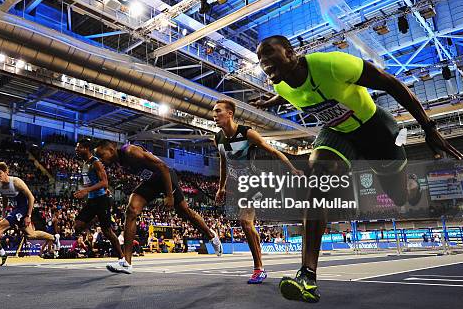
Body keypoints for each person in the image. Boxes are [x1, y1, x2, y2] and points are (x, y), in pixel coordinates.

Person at [253, 35, 463, 303]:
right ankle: (307, 276)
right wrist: (270, 102)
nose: (264, 63)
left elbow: (391, 84)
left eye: (270, 55)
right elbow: (286, 95)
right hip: (338, 133)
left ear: (292, 53)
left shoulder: (332, 65)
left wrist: (429, 128)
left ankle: (410, 183)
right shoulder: (282, 85)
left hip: (376, 131)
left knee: (399, 198)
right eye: (260, 59)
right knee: (317, 181)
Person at [96, 140, 222, 274]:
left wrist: (169, 195)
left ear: (110, 149)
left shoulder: (130, 151)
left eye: (101, 155)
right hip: (151, 182)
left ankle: (211, 235)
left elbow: (162, 166)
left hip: (165, 177)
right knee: (131, 210)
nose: (101, 160)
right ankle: (126, 262)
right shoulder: (118, 161)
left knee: (185, 212)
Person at [213, 99, 302, 284]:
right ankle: (259, 263)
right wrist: (221, 187)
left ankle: (259, 269)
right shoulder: (218, 138)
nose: (214, 116)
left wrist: (292, 169)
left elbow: (274, 152)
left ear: (230, 113)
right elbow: (223, 163)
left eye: (218, 111)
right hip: (240, 187)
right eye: (213, 112)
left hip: (256, 183)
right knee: (247, 224)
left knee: (245, 221)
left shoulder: (247, 133)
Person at [0, 162, 55, 267]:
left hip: (24, 208)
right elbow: (5, 199)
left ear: (6, 172)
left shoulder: (16, 182)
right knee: (31, 235)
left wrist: (28, 216)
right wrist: (3, 213)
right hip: (17, 209)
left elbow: (31, 197)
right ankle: (53, 237)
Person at [72, 138, 124, 261]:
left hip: (101, 199)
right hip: (91, 200)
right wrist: (84, 190)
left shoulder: (96, 162)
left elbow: (105, 182)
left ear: (86, 148)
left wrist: (86, 190)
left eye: (79, 147)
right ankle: (97, 218)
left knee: (107, 232)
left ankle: (122, 257)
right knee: (77, 226)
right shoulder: (84, 164)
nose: (76, 149)